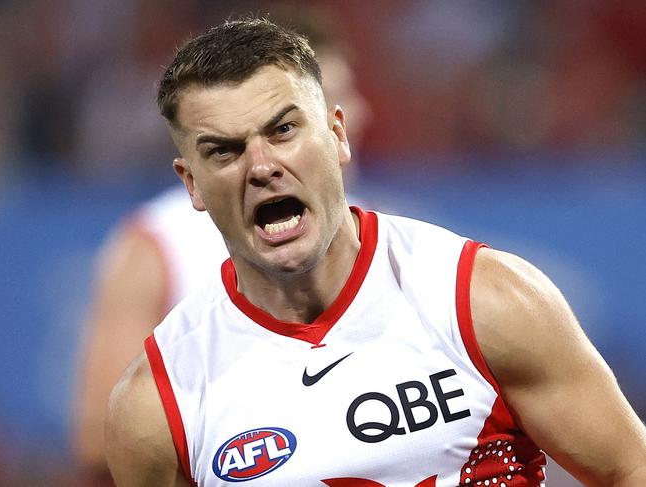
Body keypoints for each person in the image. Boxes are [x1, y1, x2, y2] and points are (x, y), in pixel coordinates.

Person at [105, 18, 646, 487]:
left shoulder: (483, 299)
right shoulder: (158, 403)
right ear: (191, 184)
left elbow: (630, 467)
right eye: (224, 150)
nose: (261, 166)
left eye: (284, 130)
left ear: (338, 135)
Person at [72, 9, 370, 482]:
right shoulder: (159, 240)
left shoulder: (403, 245)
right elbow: (102, 435)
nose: (265, 160)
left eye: (285, 127)